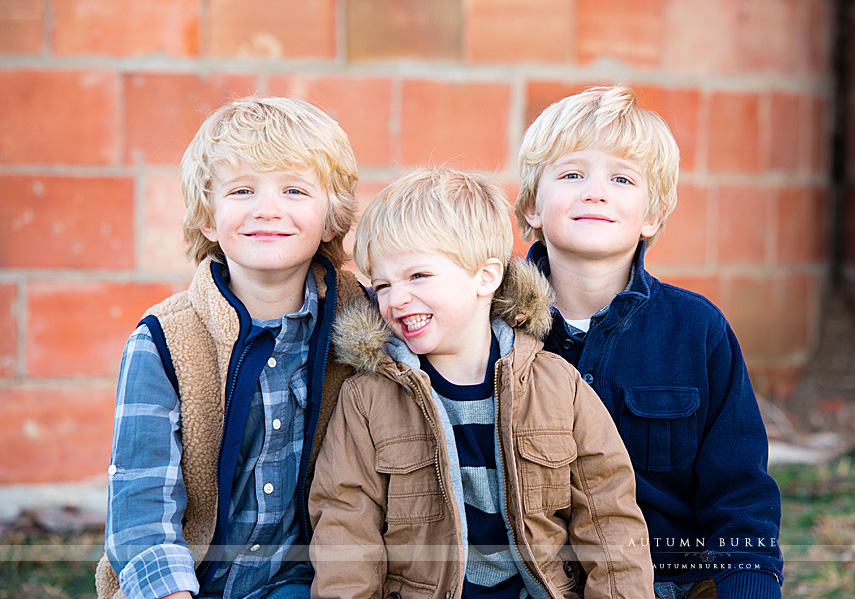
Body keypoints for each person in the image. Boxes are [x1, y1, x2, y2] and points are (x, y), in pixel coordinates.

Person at [308, 166, 654, 599]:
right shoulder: (368, 399)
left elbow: (609, 517)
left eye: (418, 276)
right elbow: (345, 526)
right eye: (382, 284)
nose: (396, 298)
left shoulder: (555, 385)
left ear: (485, 276)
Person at [515, 85, 784, 599]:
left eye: (621, 178)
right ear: (531, 204)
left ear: (652, 216)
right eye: (572, 174)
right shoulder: (490, 327)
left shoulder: (698, 330)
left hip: (674, 582)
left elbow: (739, 493)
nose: (596, 191)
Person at [96, 96, 364, 599]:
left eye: (294, 189)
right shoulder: (163, 341)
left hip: (309, 584)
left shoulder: (364, 325)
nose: (268, 208)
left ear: (332, 218)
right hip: (193, 584)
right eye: (242, 189)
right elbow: (140, 508)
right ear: (207, 219)